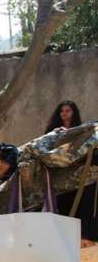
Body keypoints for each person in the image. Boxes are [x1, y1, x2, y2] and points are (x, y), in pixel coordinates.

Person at [44, 101, 97, 246]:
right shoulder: (54, 132)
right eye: (62, 111)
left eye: (68, 111)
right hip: (60, 173)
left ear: (74, 112)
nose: (64, 114)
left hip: (77, 173)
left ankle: (85, 236)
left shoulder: (81, 131)